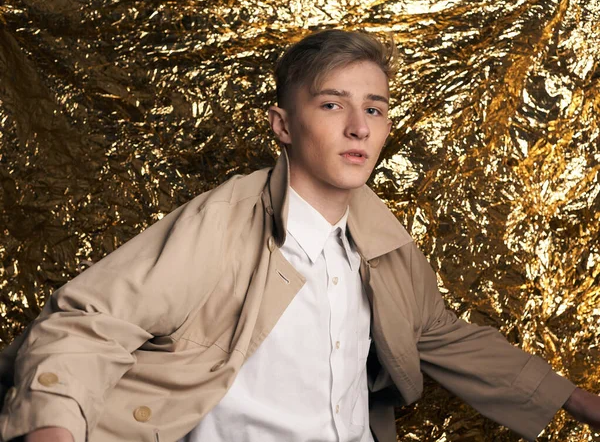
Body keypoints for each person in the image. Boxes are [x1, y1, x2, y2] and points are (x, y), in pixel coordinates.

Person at [0, 29, 599, 442]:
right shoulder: (223, 220)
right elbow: (86, 322)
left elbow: (438, 334)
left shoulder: (384, 241)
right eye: (333, 105)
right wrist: (53, 422)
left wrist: (577, 401)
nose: (359, 127)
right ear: (284, 125)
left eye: (376, 108)